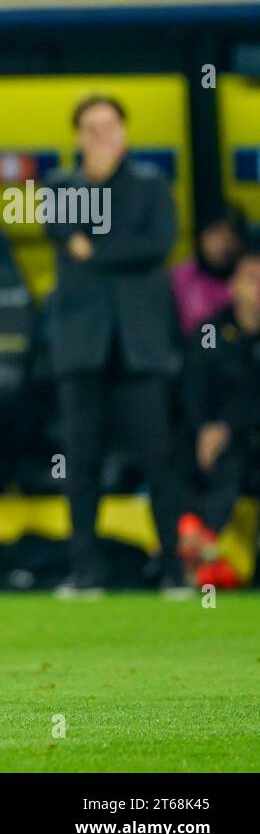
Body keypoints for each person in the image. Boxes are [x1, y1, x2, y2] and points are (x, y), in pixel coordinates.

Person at [44, 95, 185, 596]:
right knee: (80, 462)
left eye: (109, 126)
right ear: (78, 136)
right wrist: (105, 234)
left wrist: (95, 249)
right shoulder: (61, 184)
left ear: (125, 131)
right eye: (91, 128)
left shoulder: (150, 184)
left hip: (140, 348)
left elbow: (156, 244)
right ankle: (85, 572)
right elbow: (62, 232)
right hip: (82, 348)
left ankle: (173, 568)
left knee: (158, 457)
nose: (101, 136)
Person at [178, 241, 260, 588]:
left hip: (242, 435)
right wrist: (206, 427)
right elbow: (194, 387)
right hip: (223, 445)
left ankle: (203, 538)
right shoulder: (212, 333)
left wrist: (226, 426)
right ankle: (200, 548)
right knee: (222, 459)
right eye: (251, 279)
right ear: (233, 286)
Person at [171, 203, 247, 338]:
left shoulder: (249, 278)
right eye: (216, 232)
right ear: (202, 236)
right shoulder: (181, 277)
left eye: (232, 233)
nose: (224, 242)